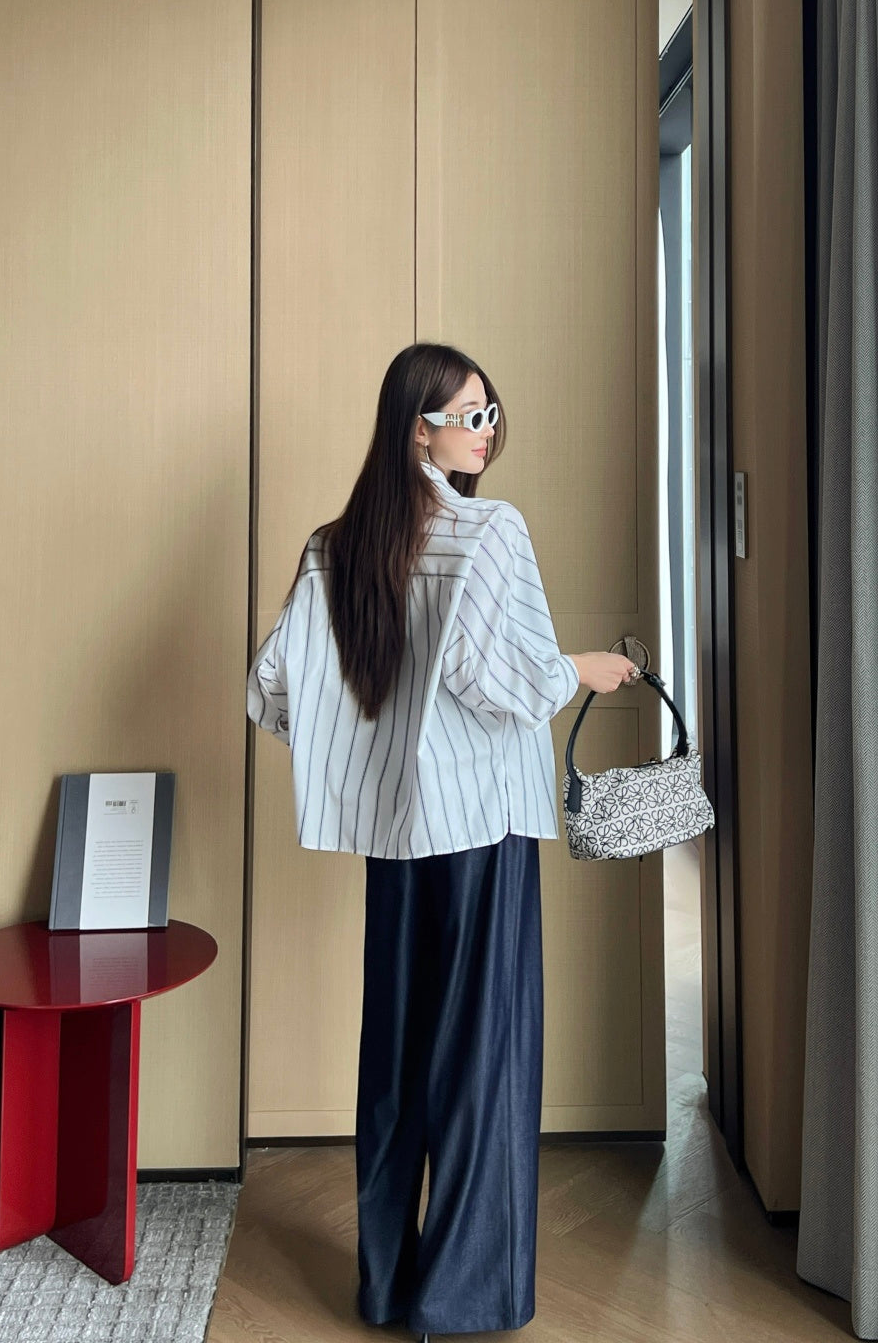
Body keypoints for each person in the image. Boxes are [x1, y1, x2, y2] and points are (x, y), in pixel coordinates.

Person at [247, 342, 636, 1340]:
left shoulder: (335, 545)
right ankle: (459, 1296)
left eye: (490, 412)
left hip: (394, 839)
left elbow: (274, 686)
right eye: (469, 416)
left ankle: (386, 1286)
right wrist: (579, 669)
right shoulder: (489, 529)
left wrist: (364, 751)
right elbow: (497, 679)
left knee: (396, 1053)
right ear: (417, 429)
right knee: (480, 1053)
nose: (486, 431)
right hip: (480, 831)